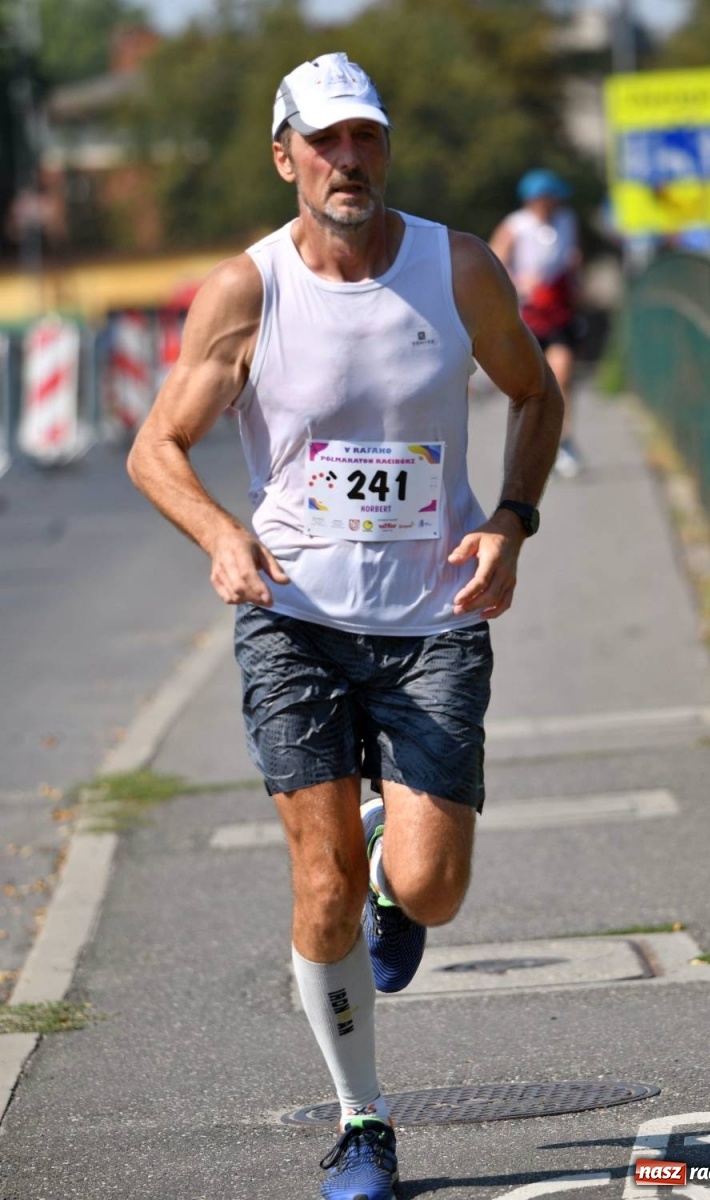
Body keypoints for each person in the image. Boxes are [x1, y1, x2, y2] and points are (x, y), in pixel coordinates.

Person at [127, 52, 563, 1200]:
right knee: (316, 881)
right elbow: (154, 449)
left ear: (384, 150)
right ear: (284, 158)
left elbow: (534, 392)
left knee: (428, 890)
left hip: (431, 617)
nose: (346, 159)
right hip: (296, 618)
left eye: (363, 137)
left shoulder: (456, 268)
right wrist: (224, 538)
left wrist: (511, 520)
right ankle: (361, 1121)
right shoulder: (248, 290)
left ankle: (391, 883)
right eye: (322, 141)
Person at [489, 168, 582, 478]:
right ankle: (530, 449)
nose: (554, 204)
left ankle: (563, 441)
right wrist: (519, 282)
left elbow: (570, 259)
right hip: (527, 315)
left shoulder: (566, 222)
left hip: (558, 311)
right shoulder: (515, 226)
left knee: (563, 375)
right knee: (530, 386)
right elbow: (493, 264)